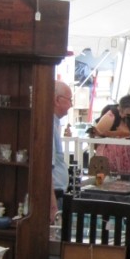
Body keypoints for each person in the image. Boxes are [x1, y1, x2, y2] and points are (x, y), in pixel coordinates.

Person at [51, 80, 73, 218]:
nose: (71, 105)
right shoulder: (49, 125)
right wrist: (52, 205)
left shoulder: (54, 123)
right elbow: (47, 168)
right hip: (54, 195)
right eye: (69, 100)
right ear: (57, 100)